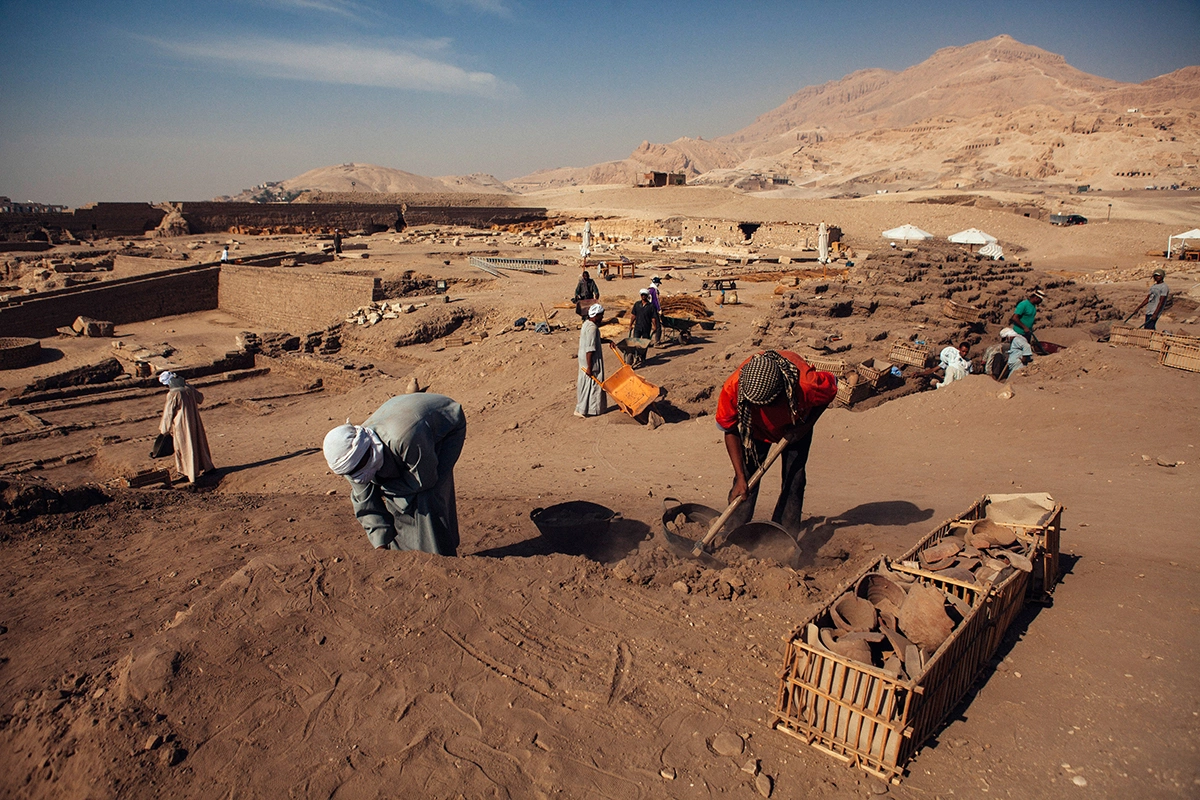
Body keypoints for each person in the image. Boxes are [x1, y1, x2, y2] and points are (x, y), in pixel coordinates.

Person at [323, 394, 466, 555]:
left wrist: (390, 492)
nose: (357, 475)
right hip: (403, 420)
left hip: (446, 425)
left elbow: (425, 479)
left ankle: (441, 554)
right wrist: (381, 547)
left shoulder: (404, 439)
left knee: (428, 495)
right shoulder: (351, 461)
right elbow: (365, 501)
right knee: (394, 493)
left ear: (368, 450)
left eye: (360, 467)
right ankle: (399, 553)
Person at [714, 351, 838, 535]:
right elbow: (729, 429)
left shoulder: (806, 385)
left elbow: (831, 390)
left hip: (795, 428)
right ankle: (734, 531)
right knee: (746, 481)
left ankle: (783, 534)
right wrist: (740, 476)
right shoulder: (734, 387)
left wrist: (805, 426)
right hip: (754, 430)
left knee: (794, 480)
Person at [158, 371, 214, 484]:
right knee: (198, 443)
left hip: (181, 424)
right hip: (194, 421)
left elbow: (169, 413)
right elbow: (200, 398)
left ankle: (189, 473)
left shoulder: (173, 394)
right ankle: (207, 467)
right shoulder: (188, 388)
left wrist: (164, 430)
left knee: (184, 447)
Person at [576, 303, 607, 418]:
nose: (602, 318)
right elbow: (590, 349)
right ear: (596, 315)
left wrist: (608, 341)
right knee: (592, 385)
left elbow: (595, 341)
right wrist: (589, 367)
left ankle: (585, 408)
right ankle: (587, 409)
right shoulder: (593, 328)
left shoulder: (586, 324)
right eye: (601, 315)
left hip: (584, 360)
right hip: (590, 361)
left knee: (586, 385)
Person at [1009, 289, 1045, 354]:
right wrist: (1024, 327)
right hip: (1019, 333)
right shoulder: (1023, 304)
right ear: (1036, 298)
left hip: (1027, 333)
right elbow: (1014, 317)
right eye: (1040, 300)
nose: (1041, 302)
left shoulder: (1033, 306)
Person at [646, 277, 664, 343]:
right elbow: (656, 300)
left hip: (646, 309)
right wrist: (659, 309)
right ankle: (657, 342)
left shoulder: (648, 290)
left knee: (648, 326)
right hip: (653, 310)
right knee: (658, 326)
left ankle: (646, 341)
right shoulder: (654, 290)